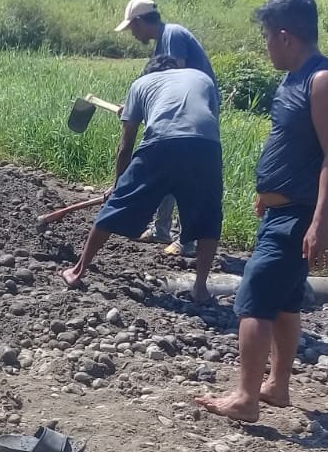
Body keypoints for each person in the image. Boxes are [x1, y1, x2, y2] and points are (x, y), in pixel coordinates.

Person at [197, 0, 328, 424]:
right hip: (284, 211)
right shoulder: (293, 79)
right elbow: (292, 146)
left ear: (285, 36)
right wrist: (268, 195)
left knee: (253, 299)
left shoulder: (323, 82)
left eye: (266, 37)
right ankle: (277, 387)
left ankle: (245, 397)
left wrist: (320, 222)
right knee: (284, 301)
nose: (265, 46)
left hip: (301, 215)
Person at [60, 55, 222, 305]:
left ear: (150, 72)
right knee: (208, 216)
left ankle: (78, 270)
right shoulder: (201, 78)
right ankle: (200, 289)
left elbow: (126, 146)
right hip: (206, 147)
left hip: (160, 144)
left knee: (117, 205)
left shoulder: (141, 84)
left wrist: (117, 186)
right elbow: (198, 118)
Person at [116, 0, 218, 258]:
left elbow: (174, 80)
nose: (132, 34)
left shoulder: (171, 34)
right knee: (168, 166)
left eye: (132, 28)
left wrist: (143, 109)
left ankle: (188, 240)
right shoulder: (164, 41)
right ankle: (161, 229)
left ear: (139, 22)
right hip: (180, 114)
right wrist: (135, 109)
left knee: (183, 174)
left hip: (190, 118)